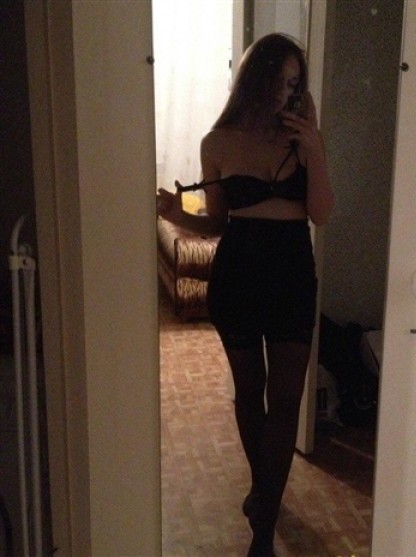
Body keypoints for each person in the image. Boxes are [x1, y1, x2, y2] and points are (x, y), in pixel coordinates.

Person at [157, 33, 334, 557]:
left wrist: (315, 151)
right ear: (255, 82)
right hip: (238, 272)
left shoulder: (305, 140)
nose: (287, 93)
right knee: (250, 391)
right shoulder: (217, 143)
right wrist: (175, 213)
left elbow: (321, 213)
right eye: (279, 81)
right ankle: (265, 505)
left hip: (292, 271)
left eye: (295, 83)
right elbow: (216, 222)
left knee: (287, 398)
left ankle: (263, 512)